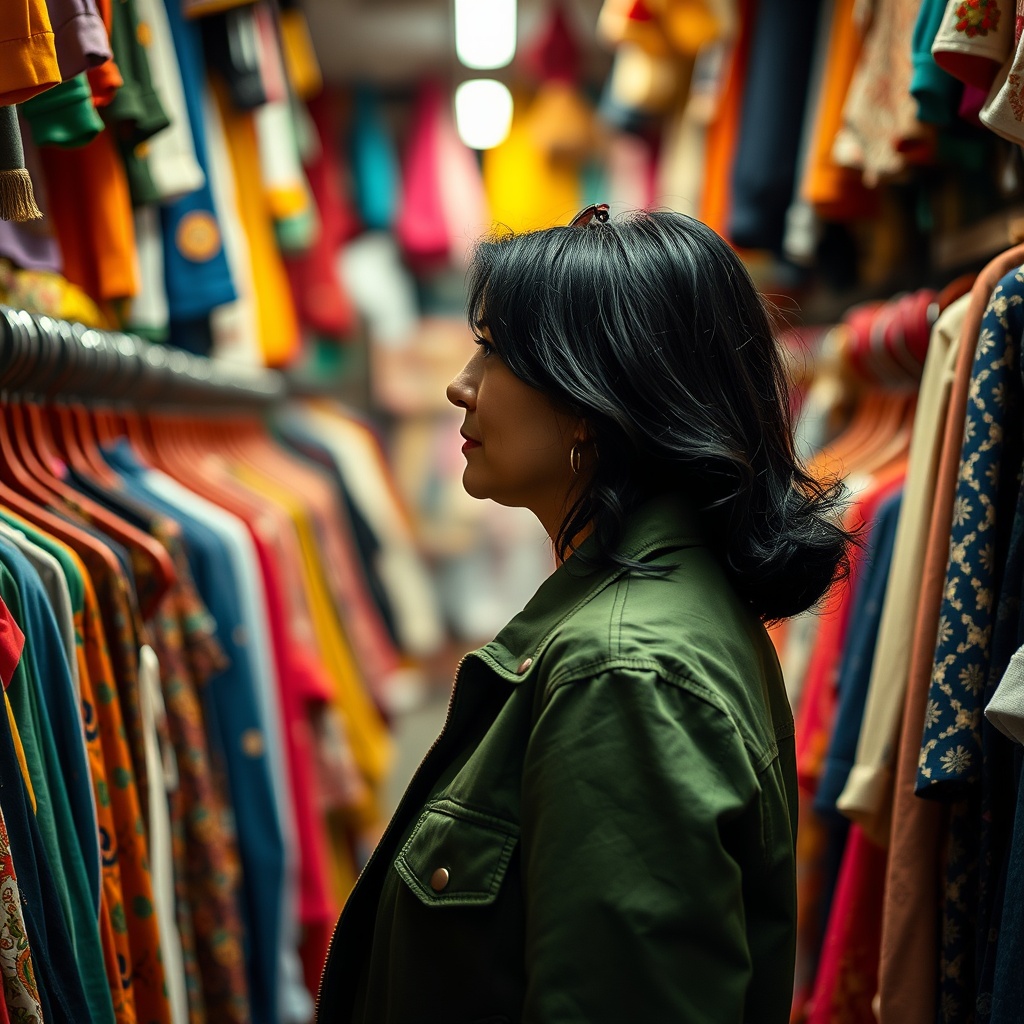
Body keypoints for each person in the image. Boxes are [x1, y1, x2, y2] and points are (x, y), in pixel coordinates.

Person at [315, 206, 852, 1023]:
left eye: (494, 351)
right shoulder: (647, 618)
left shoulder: (625, 671)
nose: (461, 383)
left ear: (590, 401)